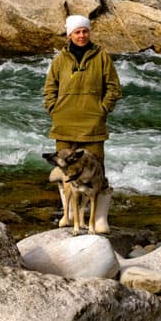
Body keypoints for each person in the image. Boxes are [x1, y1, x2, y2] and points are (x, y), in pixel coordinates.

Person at [42, 14, 121, 232]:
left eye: (85, 31)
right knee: (65, 172)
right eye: (77, 32)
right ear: (69, 34)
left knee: (98, 172)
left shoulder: (102, 57)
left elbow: (114, 87)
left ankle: (99, 219)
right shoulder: (60, 60)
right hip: (64, 124)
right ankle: (69, 213)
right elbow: (49, 89)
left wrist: (103, 109)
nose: (82, 35)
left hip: (93, 126)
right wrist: (53, 108)